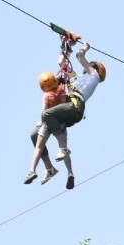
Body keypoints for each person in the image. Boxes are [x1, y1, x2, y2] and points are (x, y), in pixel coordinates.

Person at [24, 42, 106, 190]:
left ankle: (62, 149)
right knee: (34, 135)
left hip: (75, 107)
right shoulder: (78, 78)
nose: (86, 65)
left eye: (91, 64)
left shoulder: (93, 77)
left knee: (47, 114)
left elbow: (80, 56)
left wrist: (84, 48)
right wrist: (65, 45)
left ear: (95, 68)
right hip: (65, 111)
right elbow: (63, 65)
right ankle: (49, 168)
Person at [24, 73, 73, 185]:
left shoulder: (46, 95)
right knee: (63, 149)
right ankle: (70, 172)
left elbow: (44, 110)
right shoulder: (61, 90)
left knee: (38, 147)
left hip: (47, 123)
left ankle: (32, 170)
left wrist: (41, 121)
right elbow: (64, 103)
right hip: (60, 122)